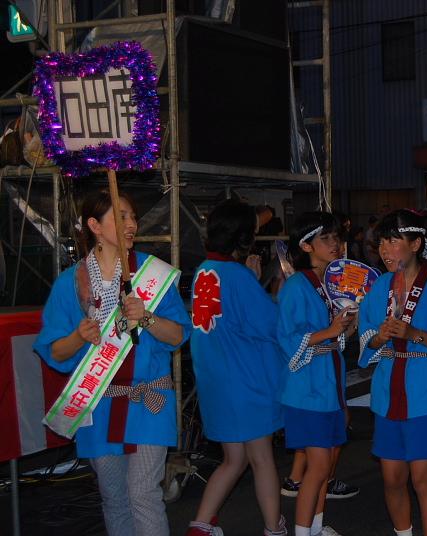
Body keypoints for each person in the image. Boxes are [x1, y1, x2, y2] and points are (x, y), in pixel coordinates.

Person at [34, 190, 190, 536]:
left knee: (144, 495)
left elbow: (179, 335)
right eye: (121, 217)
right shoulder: (70, 284)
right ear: (94, 225)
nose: (131, 224)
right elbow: (54, 351)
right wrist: (79, 337)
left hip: (149, 399)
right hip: (99, 404)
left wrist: (147, 317)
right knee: (114, 499)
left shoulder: (153, 274)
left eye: (133, 216)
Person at [358, 209, 427, 536]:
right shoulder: (379, 287)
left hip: (426, 391)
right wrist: (380, 337)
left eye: (394, 241)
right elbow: (366, 337)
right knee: (392, 478)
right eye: (382, 242)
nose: (385, 249)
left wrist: (414, 333)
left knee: (423, 479)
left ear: (417, 243)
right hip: (387, 391)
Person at [186, 200, 285, 536]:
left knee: (234, 460)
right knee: (261, 458)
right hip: (246, 382)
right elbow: (270, 324)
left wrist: (250, 281)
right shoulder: (238, 276)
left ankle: (200, 526)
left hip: (217, 381)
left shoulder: (204, 270)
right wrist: (272, 288)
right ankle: (274, 528)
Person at [277, 212, 357, 536]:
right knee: (320, 466)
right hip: (306, 390)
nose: (334, 244)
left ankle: (316, 526)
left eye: (336, 237)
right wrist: (331, 331)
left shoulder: (330, 284)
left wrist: (346, 326)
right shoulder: (297, 285)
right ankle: (302, 532)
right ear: (306, 245)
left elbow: (334, 336)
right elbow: (287, 338)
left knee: (325, 466)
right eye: (325, 238)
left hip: (328, 385)